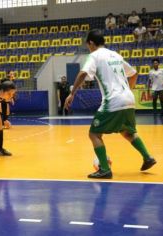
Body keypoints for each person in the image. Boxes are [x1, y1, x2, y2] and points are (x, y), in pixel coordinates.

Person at [64, 29, 156, 179]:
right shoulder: (116, 55)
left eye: (88, 45)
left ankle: (105, 169)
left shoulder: (94, 56)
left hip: (113, 101)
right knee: (127, 132)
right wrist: (127, 92)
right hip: (129, 99)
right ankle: (148, 157)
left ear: (91, 43)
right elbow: (134, 74)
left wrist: (72, 93)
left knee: (94, 134)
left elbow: (82, 73)